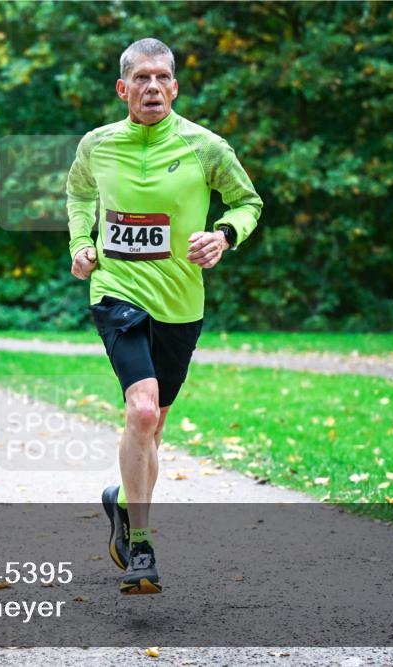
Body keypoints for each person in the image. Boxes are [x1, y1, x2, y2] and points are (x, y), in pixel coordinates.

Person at [66, 38, 262, 594]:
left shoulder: (206, 147)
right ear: (122, 88)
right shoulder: (98, 145)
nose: (152, 87)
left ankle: (122, 504)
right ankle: (143, 547)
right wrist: (81, 242)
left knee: (152, 428)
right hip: (117, 291)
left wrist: (224, 235)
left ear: (174, 87)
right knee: (143, 411)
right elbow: (78, 196)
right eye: (141, 78)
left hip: (180, 302)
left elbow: (247, 202)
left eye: (162, 78)